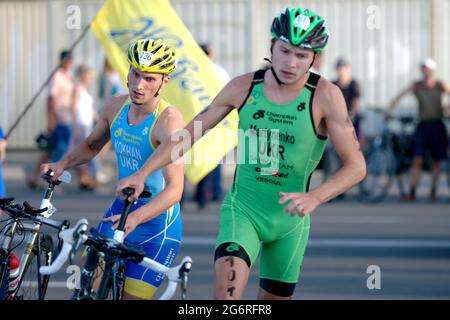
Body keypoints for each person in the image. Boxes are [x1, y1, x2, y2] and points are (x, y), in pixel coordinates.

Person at [116, 7, 366, 300]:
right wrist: (142, 174)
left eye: (301, 55)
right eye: (284, 50)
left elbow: (356, 166)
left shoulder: (325, 96)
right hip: (243, 212)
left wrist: (315, 196)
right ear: (272, 45)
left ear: (316, 58)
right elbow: (188, 134)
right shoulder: (244, 86)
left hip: (290, 223)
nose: (290, 62)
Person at [40, 38, 185, 300]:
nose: (139, 85)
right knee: (83, 289)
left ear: (165, 81)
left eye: (149, 79)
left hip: (157, 228)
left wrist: (136, 219)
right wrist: (62, 164)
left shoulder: (169, 121)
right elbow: (92, 145)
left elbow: (175, 189)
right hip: (118, 214)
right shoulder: (115, 106)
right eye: (135, 74)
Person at [386, 58, 450, 201]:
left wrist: (447, 109)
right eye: (423, 68)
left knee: (436, 160)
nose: (425, 71)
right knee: (416, 159)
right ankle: (412, 191)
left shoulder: (440, 85)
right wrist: (389, 110)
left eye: (427, 69)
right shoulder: (417, 85)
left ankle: (433, 191)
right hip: (423, 125)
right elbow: (400, 96)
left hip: (437, 125)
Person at [28, 50, 75, 189]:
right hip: (59, 119)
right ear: (62, 61)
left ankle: (34, 177)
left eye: (71, 60)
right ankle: (52, 179)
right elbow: (51, 98)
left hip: (67, 117)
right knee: (60, 149)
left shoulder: (68, 76)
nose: (70, 63)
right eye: (68, 60)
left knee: (49, 149)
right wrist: (51, 119)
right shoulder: (57, 76)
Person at [194, 43, 232, 208]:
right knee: (214, 155)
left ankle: (201, 193)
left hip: (198, 116)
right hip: (216, 118)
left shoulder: (193, 70)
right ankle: (212, 191)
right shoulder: (217, 70)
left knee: (196, 154)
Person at [71, 65, 99, 189]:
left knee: (87, 151)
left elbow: (88, 108)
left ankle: (85, 178)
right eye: (89, 75)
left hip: (87, 124)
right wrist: (75, 126)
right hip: (81, 124)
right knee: (86, 151)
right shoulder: (77, 89)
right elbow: (73, 108)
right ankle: (87, 177)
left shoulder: (84, 89)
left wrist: (98, 118)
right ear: (83, 76)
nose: (91, 78)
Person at [332, 58, 362, 140]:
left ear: (348, 69)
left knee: (356, 143)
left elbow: (356, 102)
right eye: (340, 68)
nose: (342, 71)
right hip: (337, 120)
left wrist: (351, 115)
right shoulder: (333, 85)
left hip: (352, 120)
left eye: (344, 68)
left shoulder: (354, 84)